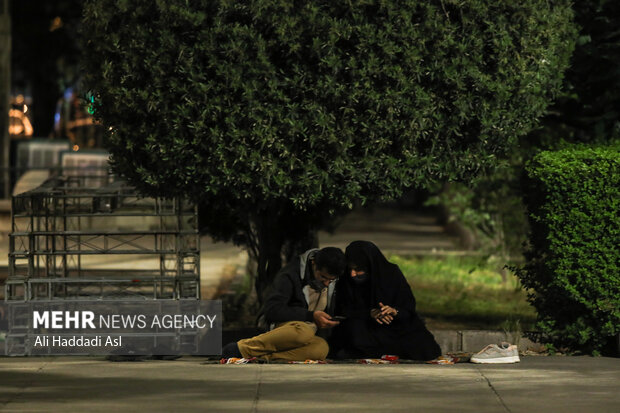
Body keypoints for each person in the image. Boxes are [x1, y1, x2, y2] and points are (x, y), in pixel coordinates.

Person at [222, 247, 346, 361]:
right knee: (303, 331)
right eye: (323, 277)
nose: (326, 283)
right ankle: (241, 349)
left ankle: (264, 357)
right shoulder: (290, 274)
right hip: (285, 328)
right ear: (314, 264)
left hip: (305, 336)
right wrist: (310, 316)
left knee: (321, 347)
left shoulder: (331, 283)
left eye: (331, 280)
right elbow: (272, 310)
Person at [329, 240, 441, 360]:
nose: (352, 274)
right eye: (350, 269)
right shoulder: (346, 281)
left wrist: (393, 311)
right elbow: (343, 310)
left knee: (423, 343)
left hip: (393, 327)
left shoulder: (391, 274)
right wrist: (370, 313)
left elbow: (408, 307)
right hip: (366, 327)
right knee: (353, 331)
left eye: (358, 269)